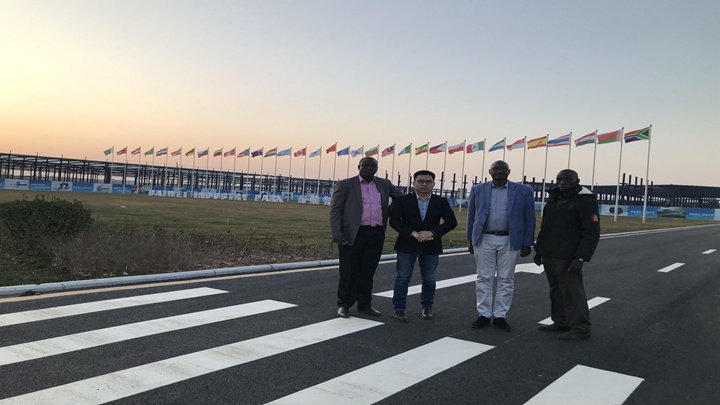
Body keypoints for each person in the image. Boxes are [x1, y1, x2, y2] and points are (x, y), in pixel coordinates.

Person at [329, 157, 404, 318]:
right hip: (352, 234)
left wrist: (388, 211)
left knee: (368, 271)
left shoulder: (384, 184)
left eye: (373, 166)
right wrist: (336, 232)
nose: (370, 169)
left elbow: (401, 198)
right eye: (366, 166)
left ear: (377, 169)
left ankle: (365, 304)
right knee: (348, 271)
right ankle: (344, 305)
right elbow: (335, 209)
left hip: (376, 233)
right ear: (359, 167)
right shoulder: (346, 184)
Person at [467, 160, 535, 332]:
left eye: (503, 169)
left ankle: (500, 315)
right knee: (483, 277)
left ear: (509, 171)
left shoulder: (524, 191)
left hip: (510, 240)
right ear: (489, 171)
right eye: (496, 169)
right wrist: (470, 240)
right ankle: (483, 314)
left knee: (506, 278)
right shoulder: (478, 189)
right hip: (485, 238)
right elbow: (471, 216)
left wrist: (527, 243)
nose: (499, 172)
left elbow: (529, 218)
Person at [533, 169, 600, 340]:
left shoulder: (585, 200)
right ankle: (561, 321)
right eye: (559, 179)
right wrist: (540, 251)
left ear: (577, 180)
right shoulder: (554, 197)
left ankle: (580, 328)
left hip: (569, 256)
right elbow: (546, 226)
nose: (562, 182)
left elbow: (591, 233)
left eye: (567, 179)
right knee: (555, 290)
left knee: (572, 292)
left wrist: (581, 258)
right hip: (550, 252)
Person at [389, 170, 457, 322]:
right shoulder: (403, 201)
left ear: (434, 184)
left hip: (431, 244)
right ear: (414, 183)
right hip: (407, 243)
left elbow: (451, 222)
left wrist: (432, 232)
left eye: (428, 182)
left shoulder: (441, 202)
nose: (424, 184)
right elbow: (394, 221)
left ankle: (427, 307)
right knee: (403, 277)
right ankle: (399, 308)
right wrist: (412, 232)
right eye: (420, 181)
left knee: (429, 278)